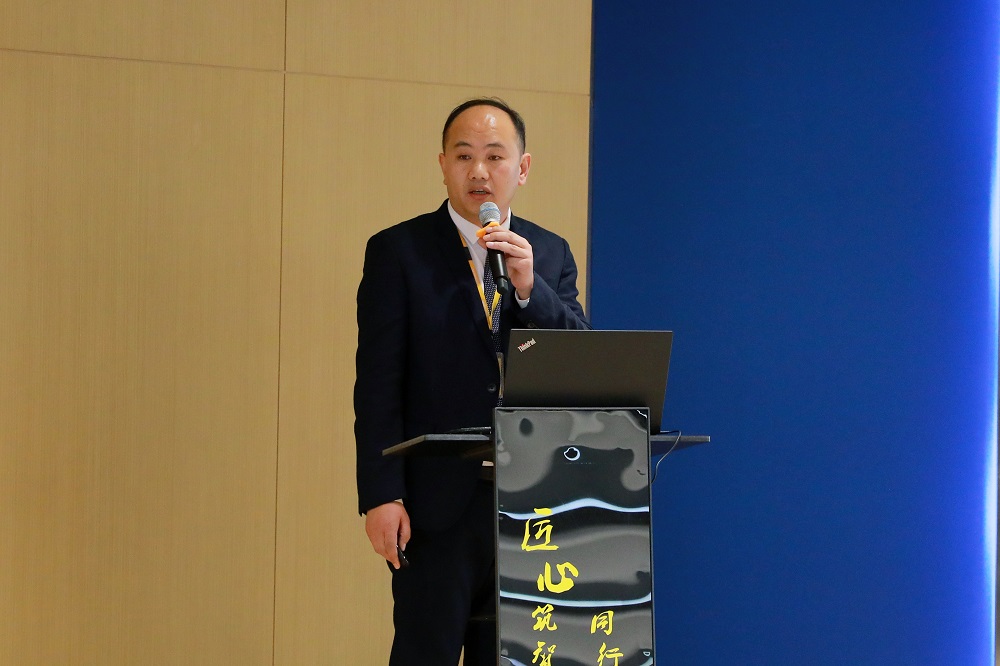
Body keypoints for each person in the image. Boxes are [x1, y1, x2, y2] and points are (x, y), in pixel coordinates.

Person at [354, 97, 590, 665]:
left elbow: (580, 361)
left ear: (522, 168)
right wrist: (381, 494)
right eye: (463, 156)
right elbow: (377, 382)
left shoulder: (548, 252)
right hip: (435, 504)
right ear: (443, 165)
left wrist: (531, 289)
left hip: (533, 503)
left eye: (494, 156)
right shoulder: (398, 251)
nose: (479, 171)